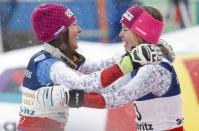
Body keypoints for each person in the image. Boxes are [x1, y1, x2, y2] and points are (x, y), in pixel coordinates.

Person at [16, 3, 164, 131]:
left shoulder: (60, 55)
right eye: (73, 25)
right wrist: (132, 61)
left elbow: (95, 67)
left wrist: (140, 53)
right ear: (61, 33)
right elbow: (87, 85)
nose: (79, 29)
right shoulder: (50, 65)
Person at [49, 5, 183, 131]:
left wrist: (69, 98)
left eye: (125, 29)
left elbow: (117, 98)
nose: (120, 34)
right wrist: (62, 52)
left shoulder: (155, 68)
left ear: (140, 33)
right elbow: (92, 69)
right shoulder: (139, 59)